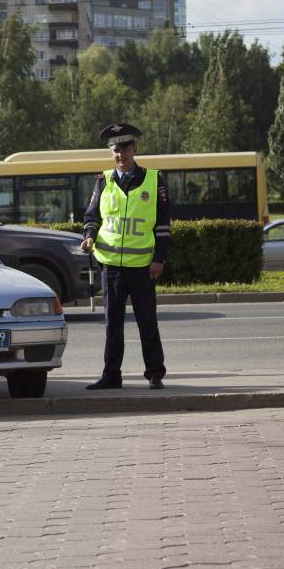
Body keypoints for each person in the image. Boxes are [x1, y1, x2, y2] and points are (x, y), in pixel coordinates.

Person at [80, 123, 171, 390]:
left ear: (135, 148)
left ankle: (155, 373)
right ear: (111, 152)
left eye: (125, 148)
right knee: (113, 325)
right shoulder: (103, 180)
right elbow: (92, 217)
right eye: (115, 149)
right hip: (110, 265)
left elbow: (163, 224)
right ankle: (111, 376)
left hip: (143, 266)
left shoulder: (154, 180)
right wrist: (89, 236)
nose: (120, 154)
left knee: (147, 322)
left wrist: (159, 259)